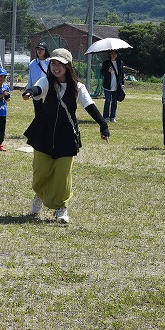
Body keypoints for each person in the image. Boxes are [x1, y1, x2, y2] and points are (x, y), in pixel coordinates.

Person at [22, 48, 110, 224]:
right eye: (53, 63)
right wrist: (30, 92)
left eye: (60, 64)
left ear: (67, 66)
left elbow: (89, 105)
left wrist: (103, 125)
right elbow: (38, 88)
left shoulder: (78, 87)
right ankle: (39, 194)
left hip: (66, 136)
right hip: (44, 133)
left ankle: (62, 208)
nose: (55, 67)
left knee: (63, 174)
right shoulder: (46, 81)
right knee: (40, 171)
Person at [24, 41, 50, 115]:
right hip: (36, 91)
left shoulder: (51, 62)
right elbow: (30, 78)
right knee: (38, 114)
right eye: (38, 49)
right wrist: (29, 91)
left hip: (48, 91)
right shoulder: (33, 63)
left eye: (42, 49)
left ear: (45, 50)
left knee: (48, 114)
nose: (39, 51)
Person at [100, 49, 124, 122]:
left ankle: (113, 117)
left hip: (116, 86)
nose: (113, 55)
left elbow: (122, 74)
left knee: (114, 102)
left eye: (115, 53)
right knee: (107, 101)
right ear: (109, 54)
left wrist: (122, 83)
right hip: (107, 86)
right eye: (112, 53)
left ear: (117, 54)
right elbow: (102, 73)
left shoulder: (120, 63)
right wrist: (108, 71)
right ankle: (105, 117)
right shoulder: (106, 62)